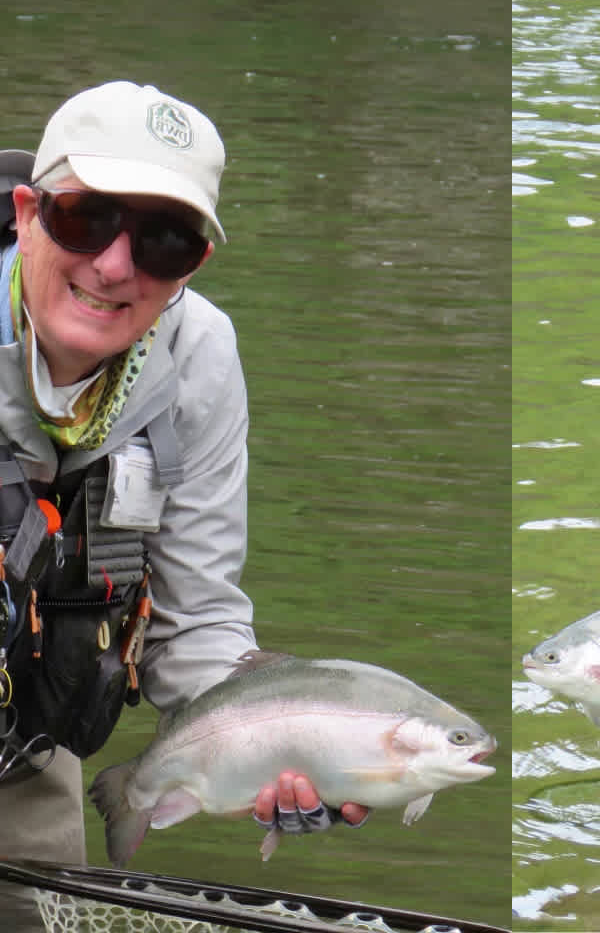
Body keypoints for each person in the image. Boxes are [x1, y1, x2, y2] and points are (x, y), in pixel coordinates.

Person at [0, 81, 366, 869]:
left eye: (165, 240)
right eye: (85, 217)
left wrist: (281, 745)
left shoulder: (199, 356)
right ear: (28, 212)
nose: (115, 264)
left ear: (195, 263)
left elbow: (196, 620)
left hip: (23, 750)